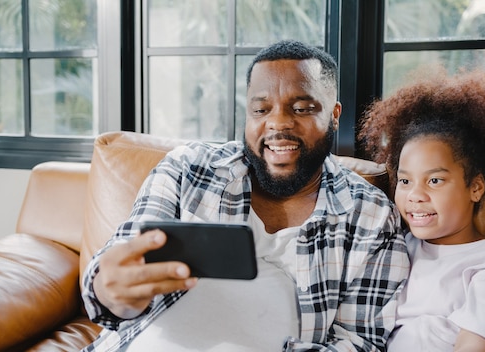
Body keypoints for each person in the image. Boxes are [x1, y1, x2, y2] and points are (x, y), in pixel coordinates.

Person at [81, 40, 409, 351]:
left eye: (301, 108)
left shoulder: (372, 215)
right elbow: (119, 265)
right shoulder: (187, 169)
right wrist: (110, 288)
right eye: (261, 109)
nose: (278, 123)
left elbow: (361, 341)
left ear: (334, 115)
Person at [359, 67, 485, 352]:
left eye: (434, 180)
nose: (415, 195)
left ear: (475, 187)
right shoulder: (396, 250)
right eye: (405, 180)